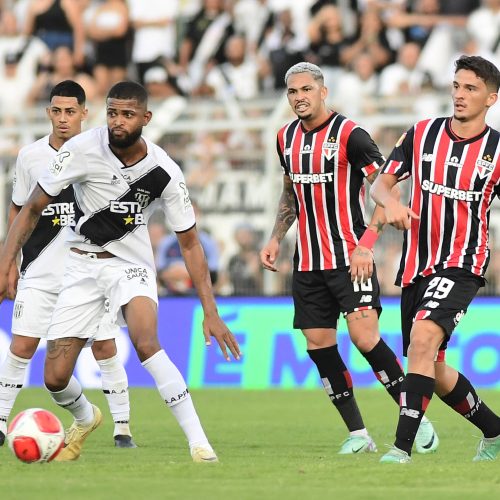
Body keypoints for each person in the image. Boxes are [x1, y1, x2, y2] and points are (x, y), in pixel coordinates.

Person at [0, 80, 240, 463]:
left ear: (145, 118)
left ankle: (199, 442)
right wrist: (6, 263)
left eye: (127, 115)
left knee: (146, 342)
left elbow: (190, 243)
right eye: (112, 112)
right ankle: (85, 417)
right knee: (55, 378)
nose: (118, 121)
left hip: (131, 267)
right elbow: (30, 209)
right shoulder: (80, 150)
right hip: (80, 266)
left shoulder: (164, 171)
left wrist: (210, 311)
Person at [260, 61, 438, 454]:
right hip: (307, 263)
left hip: (349, 258)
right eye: (292, 92)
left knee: (364, 337)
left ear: (323, 92)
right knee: (319, 346)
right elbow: (291, 192)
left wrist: (366, 244)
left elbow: (385, 192)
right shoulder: (284, 138)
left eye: (306, 90)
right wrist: (275, 237)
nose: (299, 98)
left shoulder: (351, 135)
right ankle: (359, 434)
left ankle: (416, 418)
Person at [371, 55, 500, 463]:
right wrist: (389, 203)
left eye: (471, 89)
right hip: (416, 266)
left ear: (491, 98)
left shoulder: (497, 151)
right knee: (431, 365)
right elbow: (380, 184)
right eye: (457, 86)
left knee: (424, 339)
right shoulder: (422, 134)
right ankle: (495, 431)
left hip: (463, 262)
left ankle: (400, 450)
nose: (459, 95)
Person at [0, 79, 136, 449]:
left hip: (89, 275)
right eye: (56, 112)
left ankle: (122, 428)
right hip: (40, 271)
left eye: (70, 112)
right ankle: (0, 422)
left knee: (105, 347)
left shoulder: (101, 152)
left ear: (83, 114)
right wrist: (9, 261)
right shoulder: (30, 157)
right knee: (22, 346)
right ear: (48, 113)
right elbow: (18, 209)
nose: (63, 119)